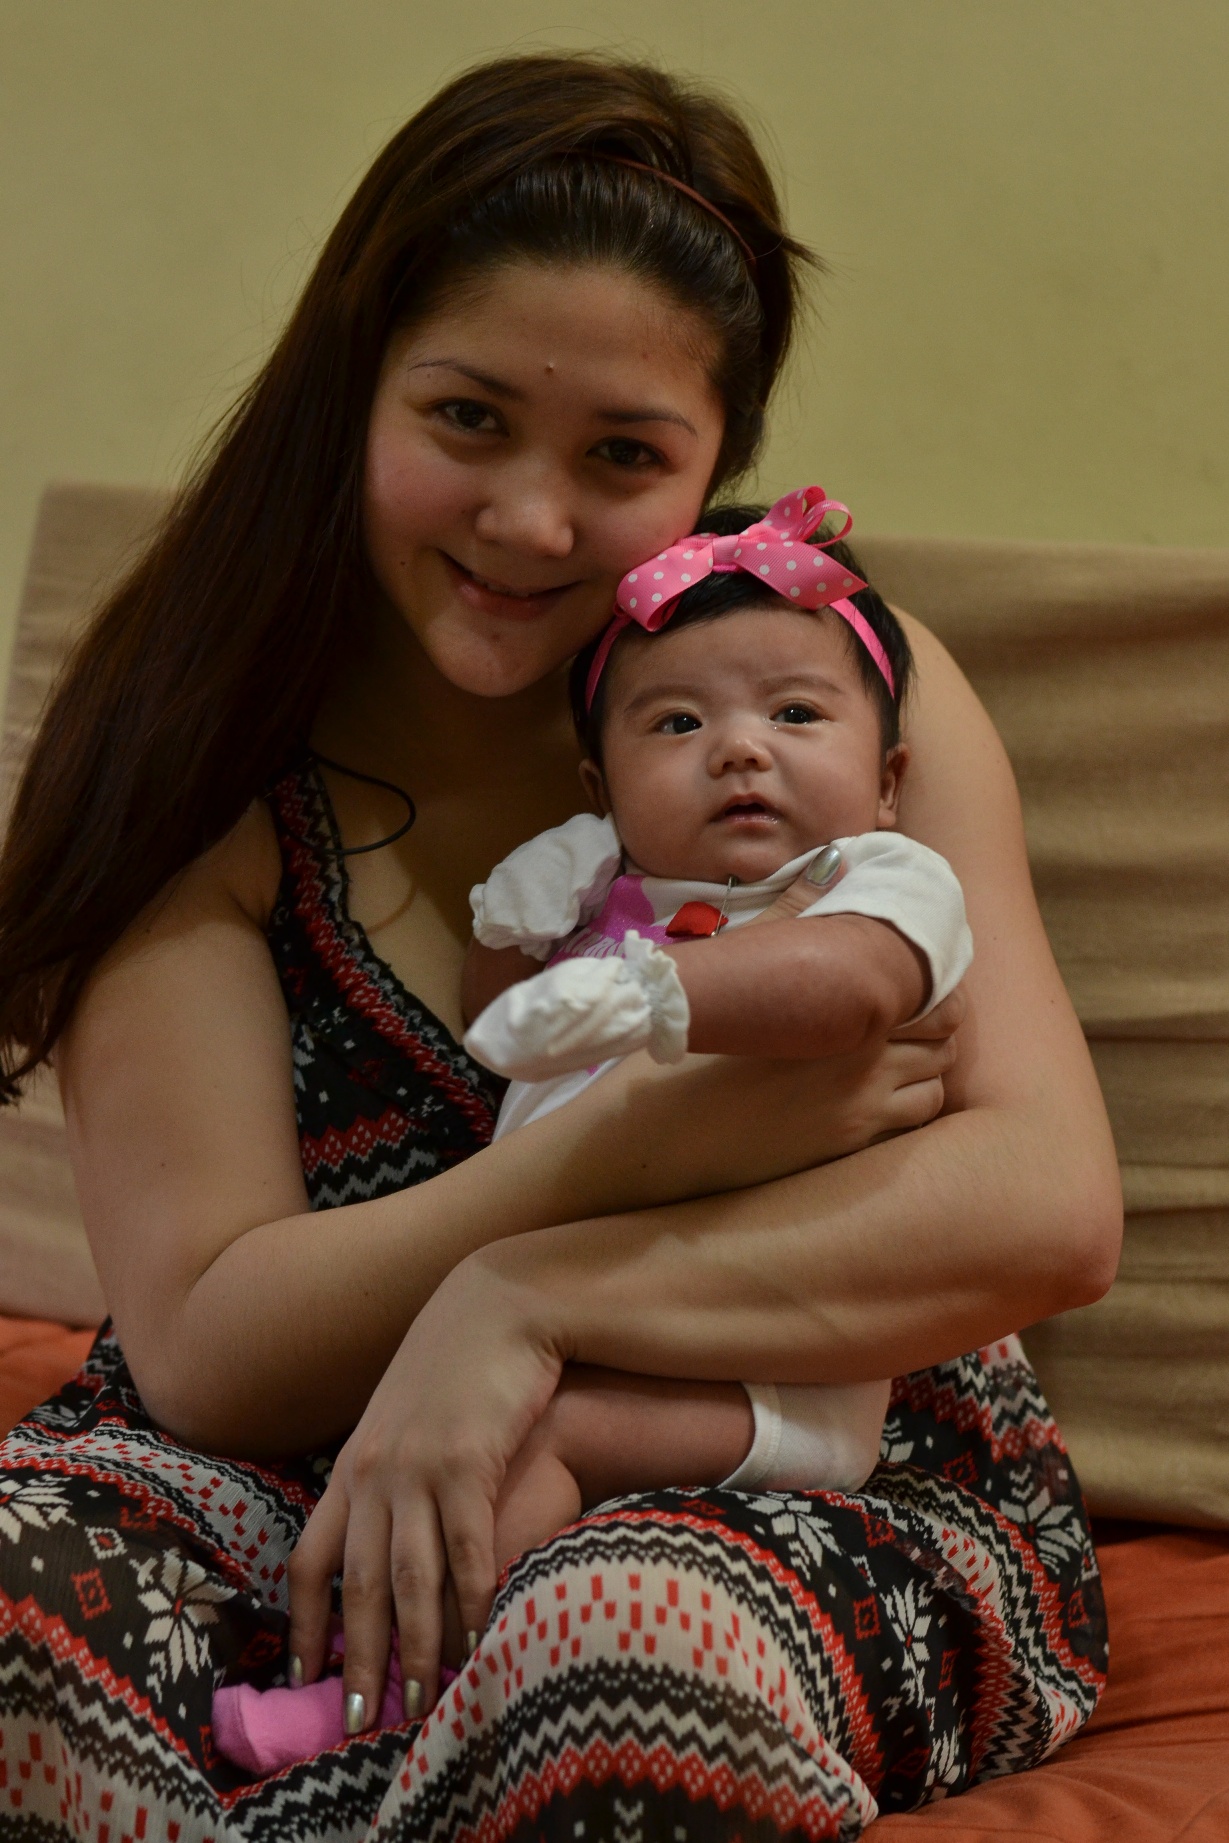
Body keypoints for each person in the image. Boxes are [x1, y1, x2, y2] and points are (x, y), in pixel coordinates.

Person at [0, 51, 1118, 1843]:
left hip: (791, 1456)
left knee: (620, 1645)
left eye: (622, 456)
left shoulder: (820, 691)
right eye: (465, 418)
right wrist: (610, 1160)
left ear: (714, 464)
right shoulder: (196, 744)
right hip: (281, 1474)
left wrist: (520, 1308)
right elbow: (208, 1341)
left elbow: (1043, 1209)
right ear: (354, 385)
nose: (530, 520)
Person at [211, 494, 976, 1773]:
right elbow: (501, 1033)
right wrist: (518, 926)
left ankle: (385, 1701)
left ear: (888, 779)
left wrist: (651, 993)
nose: (739, 750)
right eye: (676, 724)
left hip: (763, 1362)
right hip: (580, 1321)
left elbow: (848, 990)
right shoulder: (609, 901)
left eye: (795, 714)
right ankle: (382, 1665)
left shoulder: (871, 883)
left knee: (525, 1443)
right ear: (599, 785)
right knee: (439, 1441)